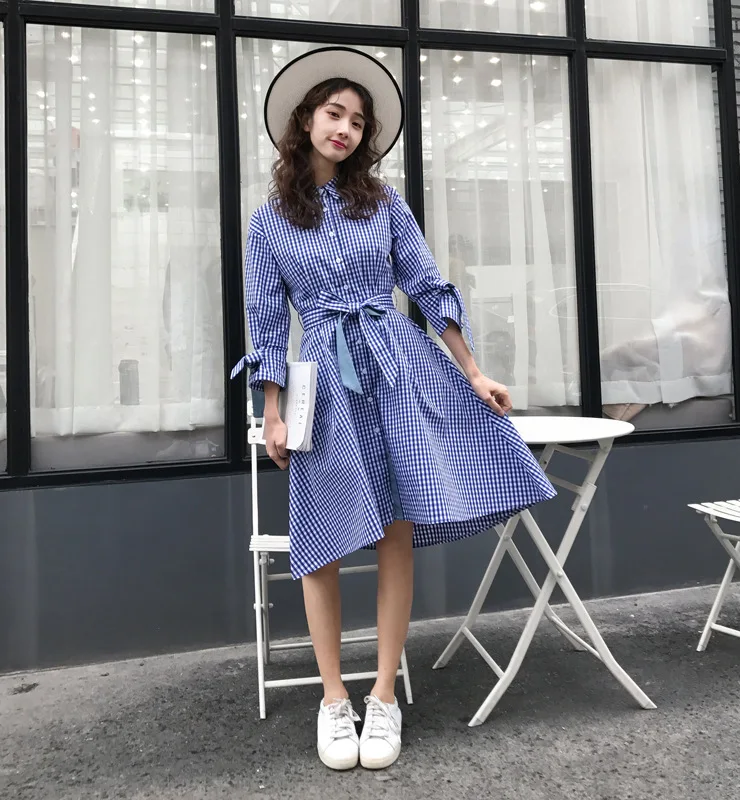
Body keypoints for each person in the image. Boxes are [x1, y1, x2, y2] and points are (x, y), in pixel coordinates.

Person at [231, 47, 556, 772]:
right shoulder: (268, 223)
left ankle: (382, 695)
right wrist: (273, 411)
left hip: (398, 366)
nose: (344, 129)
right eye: (334, 113)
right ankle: (332, 699)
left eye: (357, 121)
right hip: (323, 377)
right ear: (306, 120)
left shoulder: (384, 204)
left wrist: (473, 372)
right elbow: (266, 323)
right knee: (320, 540)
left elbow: (429, 287)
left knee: (395, 532)